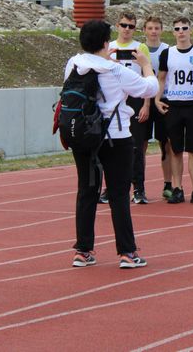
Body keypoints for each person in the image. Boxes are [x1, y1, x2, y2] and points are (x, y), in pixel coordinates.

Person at [66, 19, 158, 269]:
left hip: (83, 136)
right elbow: (149, 89)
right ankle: (127, 253)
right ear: (106, 43)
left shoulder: (73, 64)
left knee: (86, 192)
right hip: (116, 137)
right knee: (118, 195)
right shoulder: (116, 71)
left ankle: (83, 251)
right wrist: (146, 65)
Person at [155, 17, 193, 205]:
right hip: (173, 106)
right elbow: (161, 78)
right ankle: (177, 188)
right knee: (175, 150)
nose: (181, 31)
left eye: (184, 28)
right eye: (177, 29)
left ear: (191, 30)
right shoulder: (167, 53)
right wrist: (157, 99)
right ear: (173, 32)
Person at [108, 12, 151, 205]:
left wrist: (146, 104)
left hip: (135, 99)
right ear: (117, 26)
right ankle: (111, 188)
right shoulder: (109, 47)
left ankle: (138, 188)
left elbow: (147, 76)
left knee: (136, 147)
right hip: (114, 100)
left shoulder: (140, 47)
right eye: (124, 25)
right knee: (111, 147)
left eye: (131, 26)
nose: (127, 29)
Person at [141, 15, 174, 200]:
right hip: (143, 101)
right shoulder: (139, 50)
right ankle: (139, 186)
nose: (153, 31)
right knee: (141, 145)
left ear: (162, 30)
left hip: (164, 100)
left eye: (157, 28)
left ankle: (168, 185)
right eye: (150, 28)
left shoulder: (168, 51)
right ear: (144, 30)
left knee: (166, 144)